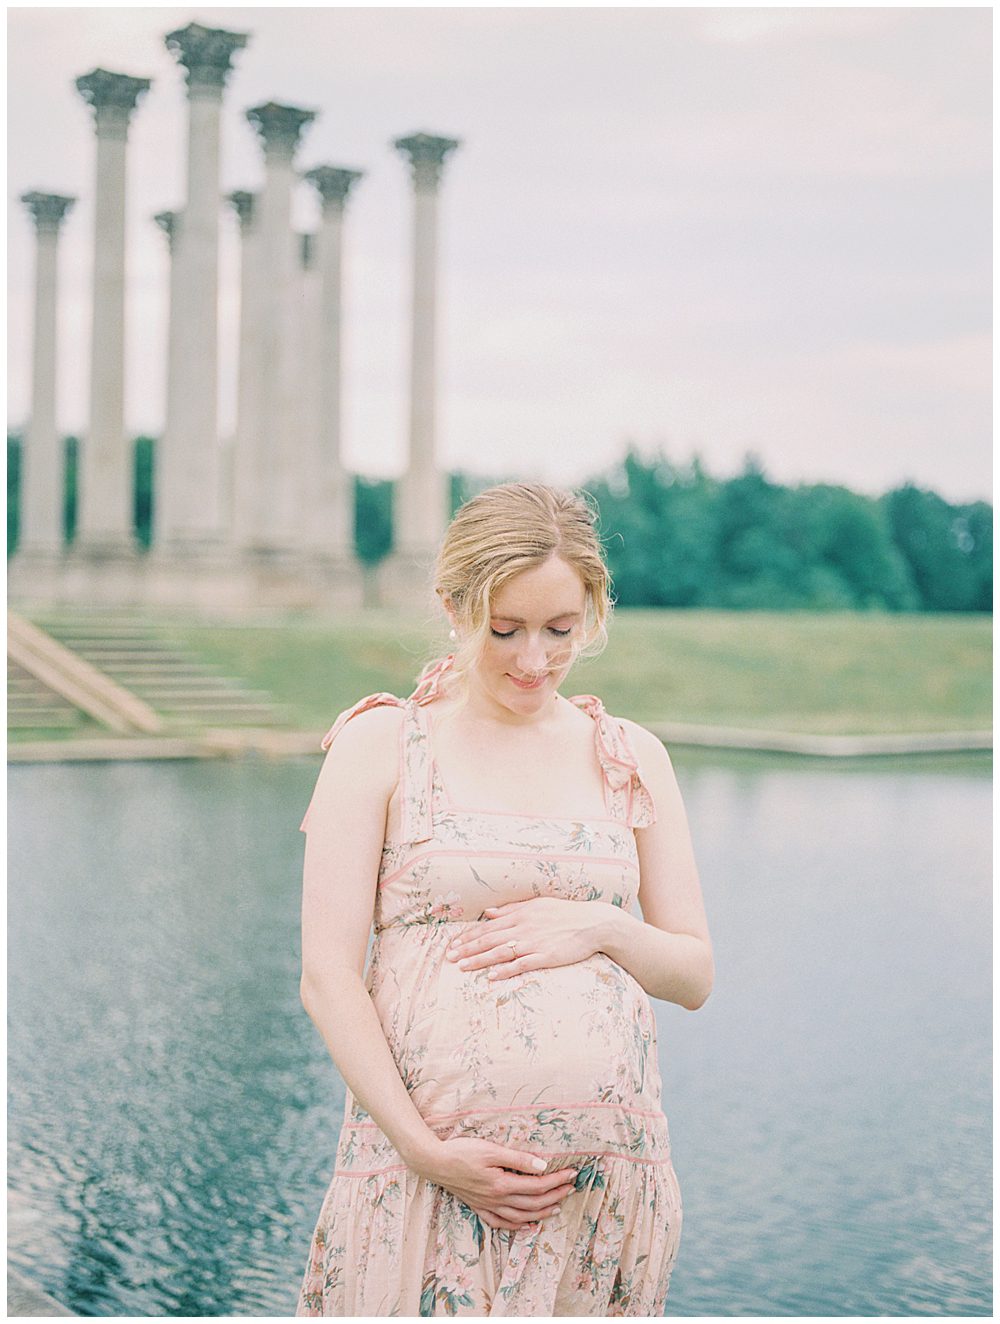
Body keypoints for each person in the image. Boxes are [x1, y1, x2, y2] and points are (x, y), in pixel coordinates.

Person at [295, 482, 713, 1317]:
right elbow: (327, 977)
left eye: (561, 630)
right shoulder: (384, 744)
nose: (534, 659)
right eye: (505, 629)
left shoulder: (631, 755)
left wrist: (601, 927)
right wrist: (426, 1152)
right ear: (452, 605)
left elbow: (693, 973)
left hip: (601, 1199)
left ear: (593, 610)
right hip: (425, 1184)